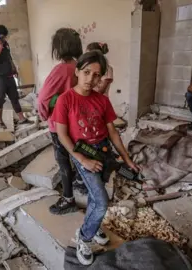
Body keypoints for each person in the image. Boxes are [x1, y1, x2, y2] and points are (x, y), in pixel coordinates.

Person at [51, 51, 139, 265]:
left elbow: (113, 132)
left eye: (96, 75)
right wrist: (81, 159)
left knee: (95, 193)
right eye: (87, 72)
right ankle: (83, 237)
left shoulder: (102, 100)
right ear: (78, 71)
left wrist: (126, 159)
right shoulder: (65, 100)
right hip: (84, 153)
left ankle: (95, 225)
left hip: (104, 151)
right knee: (101, 201)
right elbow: (62, 134)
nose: (91, 79)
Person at [37, 28, 85, 215]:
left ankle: (68, 199)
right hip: (77, 123)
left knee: (63, 161)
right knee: (76, 154)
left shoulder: (61, 70)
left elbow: (42, 99)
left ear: (58, 47)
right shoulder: (80, 67)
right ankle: (80, 182)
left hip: (59, 124)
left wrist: (43, 115)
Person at [0, 25, 31, 128]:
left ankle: (22, 118)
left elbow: (8, 57)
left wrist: (14, 68)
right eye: (2, 37)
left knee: (14, 96)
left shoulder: (6, 44)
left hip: (8, 74)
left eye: (5, 37)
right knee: (0, 98)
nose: (4, 39)